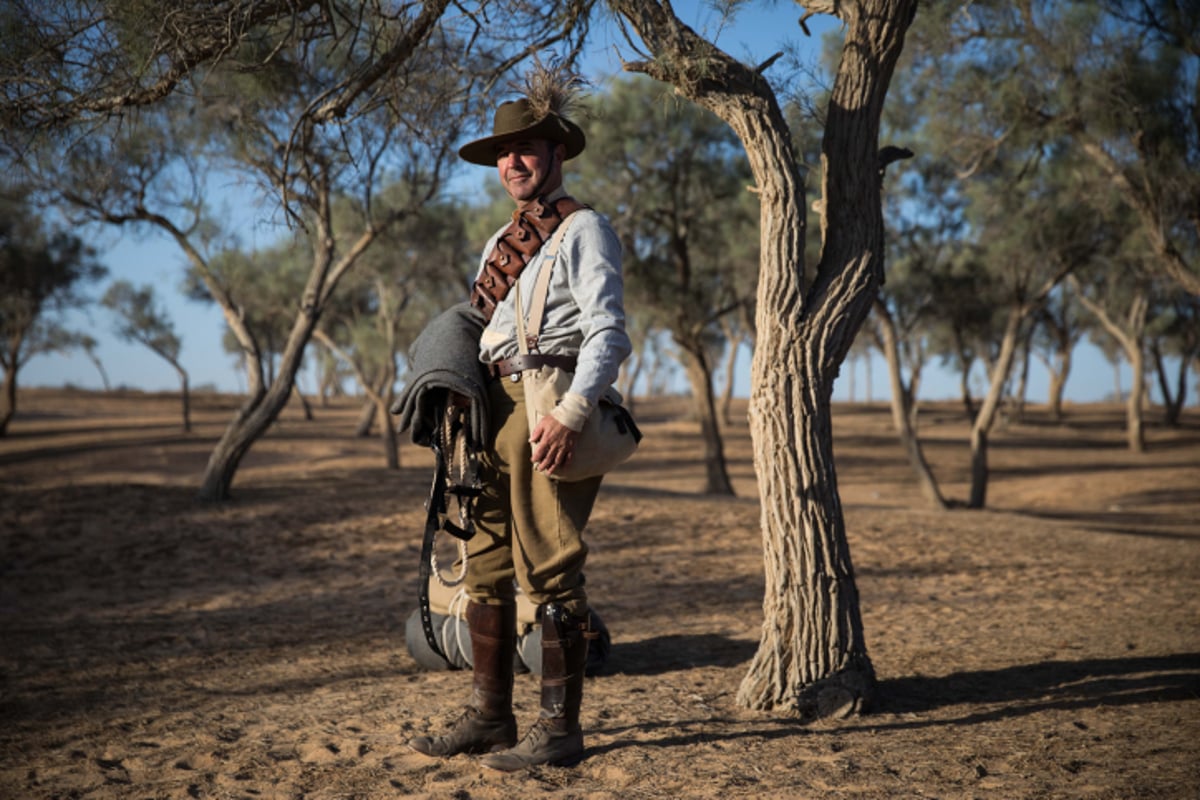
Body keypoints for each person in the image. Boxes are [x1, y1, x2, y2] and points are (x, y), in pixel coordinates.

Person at [405, 72, 630, 771]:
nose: (513, 163)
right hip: (491, 414)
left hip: (548, 403)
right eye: (503, 154)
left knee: (551, 571)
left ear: (556, 152)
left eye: (526, 148)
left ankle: (560, 733)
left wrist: (569, 412)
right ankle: (490, 718)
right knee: (486, 565)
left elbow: (609, 334)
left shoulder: (585, 228)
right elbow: (485, 332)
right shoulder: (501, 243)